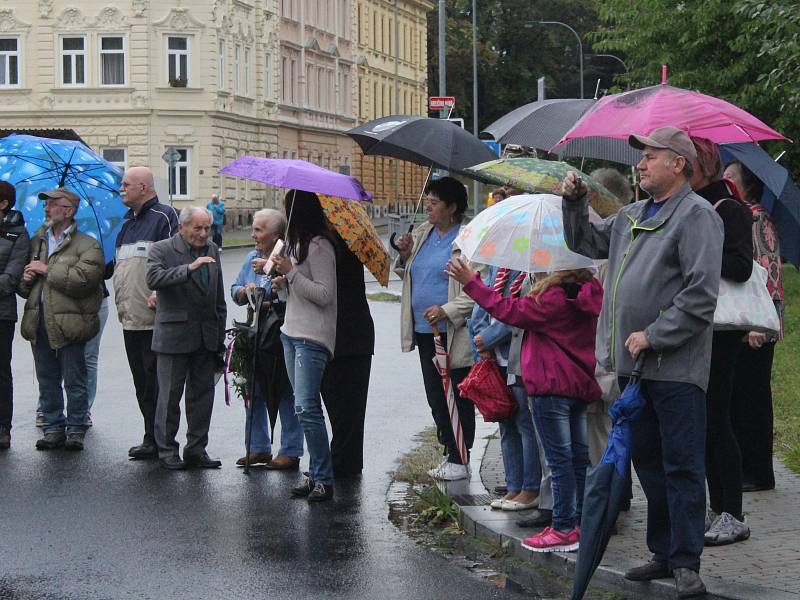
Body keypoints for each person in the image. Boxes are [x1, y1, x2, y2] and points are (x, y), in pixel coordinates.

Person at [562, 126, 724, 598]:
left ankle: (686, 562)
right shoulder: (633, 215)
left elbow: (700, 297)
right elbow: (588, 244)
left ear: (679, 163)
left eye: (650, 156)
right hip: (636, 371)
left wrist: (654, 335)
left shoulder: (696, 216)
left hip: (676, 370)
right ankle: (662, 550)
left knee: (682, 466)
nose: (641, 164)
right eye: (641, 157)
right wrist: (573, 202)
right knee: (650, 465)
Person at [449, 259, 602, 552]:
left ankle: (563, 527)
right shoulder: (587, 292)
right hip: (578, 384)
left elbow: (509, 311)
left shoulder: (554, 297)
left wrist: (472, 283)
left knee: (559, 462)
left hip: (550, 386)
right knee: (577, 459)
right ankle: (580, 522)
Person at [688, 138, 753, 546]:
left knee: (716, 418)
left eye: (687, 160)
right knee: (702, 420)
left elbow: (741, 266)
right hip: (694, 323)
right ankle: (716, 506)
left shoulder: (728, 208)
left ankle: (732, 511)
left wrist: (696, 258)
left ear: (703, 165)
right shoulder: (687, 207)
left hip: (721, 327)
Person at [394, 177, 477, 482]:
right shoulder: (423, 233)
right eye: (426, 201)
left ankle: (460, 456)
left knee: (457, 394)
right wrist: (403, 253)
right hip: (424, 330)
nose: (427, 207)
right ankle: (449, 452)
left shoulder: (467, 240)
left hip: (451, 333)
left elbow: (474, 290)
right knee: (435, 396)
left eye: (434, 203)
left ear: (452, 207)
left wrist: (446, 310)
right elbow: (410, 273)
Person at [19, 188, 104, 451]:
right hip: (40, 319)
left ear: (69, 211)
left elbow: (84, 281)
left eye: (54, 204)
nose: (47, 208)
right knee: (46, 378)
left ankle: (76, 428)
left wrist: (47, 269)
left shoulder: (88, 244)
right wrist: (26, 279)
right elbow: (25, 290)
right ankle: (53, 428)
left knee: (74, 378)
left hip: (71, 323)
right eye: (46, 204)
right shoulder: (38, 242)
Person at [146, 207, 226, 470]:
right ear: (182, 227)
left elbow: (218, 297)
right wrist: (189, 268)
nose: (204, 234)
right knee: (169, 397)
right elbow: (154, 278)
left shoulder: (212, 249)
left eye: (207, 228)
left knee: (202, 397)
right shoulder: (162, 249)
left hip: (206, 336)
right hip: (173, 335)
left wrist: (219, 334)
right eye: (198, 228)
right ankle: (167, 450)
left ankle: (196, 449)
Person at [272, 190, 337, 502]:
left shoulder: (320, 246)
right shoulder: (296, 246)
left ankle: (324, 478)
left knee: (307, 408)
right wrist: (283, 285)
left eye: (288, 207)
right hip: (291, 331)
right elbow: (295, 294)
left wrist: (291, 274)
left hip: (313, 336)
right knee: (302, 408)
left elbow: (324, 294)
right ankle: (315, 475)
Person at [230, 208, 303, 470]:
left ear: (275, 235)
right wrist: (243, 291)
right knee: (254, 389)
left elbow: (292, 291)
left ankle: (291, 449)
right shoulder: (251, 257)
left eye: (259, 230)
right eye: (253, 228)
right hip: (256, 332)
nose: (253, 234)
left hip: (281, 330)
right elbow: (235, 289)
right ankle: (258, 447)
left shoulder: (287, 258)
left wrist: (271, 275)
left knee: (285, 390)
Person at [114, 166, 179, 460]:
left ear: (144, 187)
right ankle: (149, 436)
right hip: (130, 318)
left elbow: (175, 259)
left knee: (158, 383)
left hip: (155, 319)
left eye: (126, 184)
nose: (121, 189)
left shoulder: (164, 217)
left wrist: (159, 292)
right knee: (142, 382)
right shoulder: (126, 223)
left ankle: (163, 440)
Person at [724, 160, 781, 492]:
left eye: (730, 177)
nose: (725, 180)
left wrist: (760, 324)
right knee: (743, 396)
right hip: (749, 323)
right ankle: (751, 468)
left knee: (753, 397)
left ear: (743, 183)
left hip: (757, 326)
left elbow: (768, 269)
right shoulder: (744, 215)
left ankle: (759, 472)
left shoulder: (757, 218)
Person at [469, 266, 541, 511]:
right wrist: (481, 340)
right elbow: (481, 306)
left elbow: (519, 313)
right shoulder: (497, 267)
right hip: (495, 357)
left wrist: (488, 338)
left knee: (524, 422)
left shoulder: (528, 272)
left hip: (517, 356)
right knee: (505, 422)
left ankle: (530, 488)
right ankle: (513, 485)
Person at [320, 231, 375, 479]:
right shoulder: (348, 239)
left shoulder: (330, 245)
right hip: (352, 334)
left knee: (345, 408)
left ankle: (345, 464)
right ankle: (345, 462)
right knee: (346, 408)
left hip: (347, 334)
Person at [0, 181, 29, 449]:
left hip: (2, 314)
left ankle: (2, 428)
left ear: (4, 204)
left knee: (1, 372)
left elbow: (11, 278)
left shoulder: (17, 235)